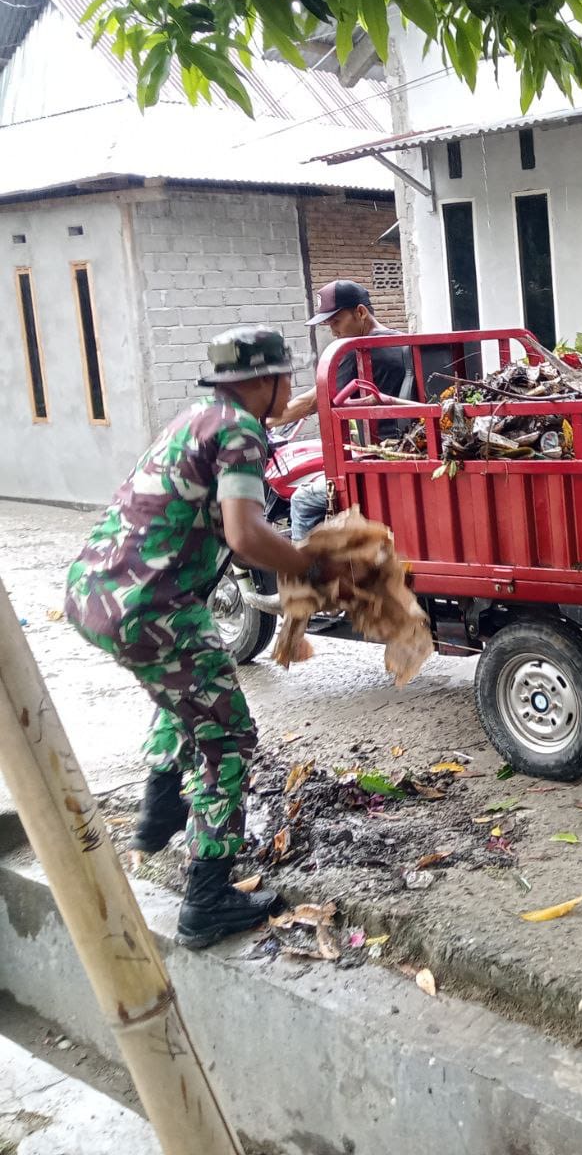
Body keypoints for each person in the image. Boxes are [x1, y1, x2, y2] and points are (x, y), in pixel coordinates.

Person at [65, 328, 331, 949]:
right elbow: (243, 532)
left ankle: (159, 810)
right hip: (152, 606)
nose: (290, 386)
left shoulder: (200, 417)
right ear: (261, 380)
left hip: (98, 592)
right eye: (286, 376)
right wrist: (306, 563)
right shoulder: (239, 432)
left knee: (180, 694)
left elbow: (271, 433)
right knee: (228, 737)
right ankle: (207, 900)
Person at [269, 279, 415, 540]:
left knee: (302, 499)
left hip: (375, 461)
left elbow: (313, 401)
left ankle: (303, 576)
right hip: (408, 450)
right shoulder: (405, 342)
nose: (333, 331)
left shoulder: (357, 352)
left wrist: (266, 420)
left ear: (360, 312)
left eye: (336, 321)